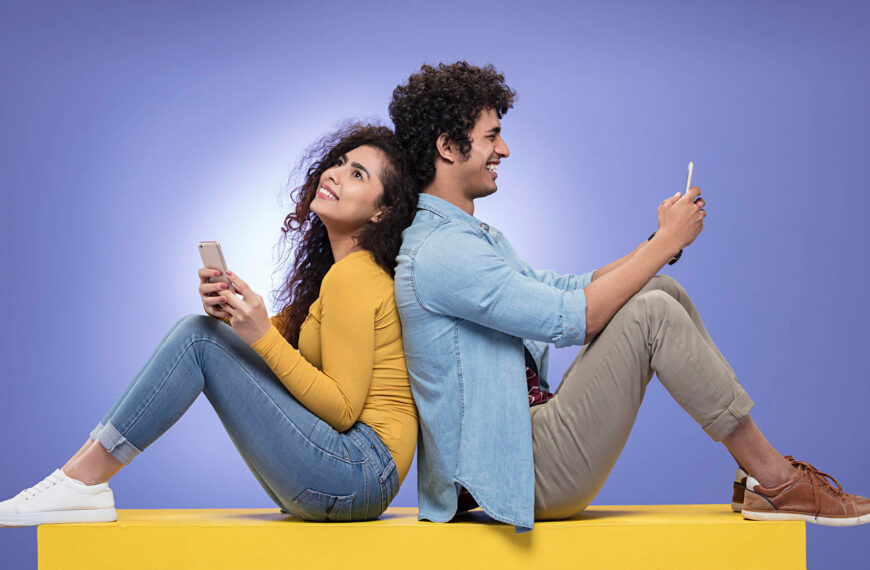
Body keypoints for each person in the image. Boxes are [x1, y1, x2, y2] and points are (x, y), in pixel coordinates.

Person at [389, 61, 869, 532]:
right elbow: (571, 319)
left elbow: (563, 288)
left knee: (656, 286)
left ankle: (759, 473)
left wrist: (658, 243)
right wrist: (666, 244)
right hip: (518, 473)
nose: (505, 149)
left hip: (524, 449)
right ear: (448, 147)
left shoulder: (467, 237)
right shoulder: (441, 251)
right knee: (652, 312)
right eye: (492, 136)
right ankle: (777, 481)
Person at [0, 123, 418, 526]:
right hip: (348, 476)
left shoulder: (356, 276)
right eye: (340, 162)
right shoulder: (337, 275)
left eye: (357, 174)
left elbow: (343, 411)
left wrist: (256, 336)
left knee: (198, 338)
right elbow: (276, 343)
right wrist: (234, 315)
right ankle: (79, 481)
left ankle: (81, 482)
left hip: (356, 473)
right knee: (207, 334)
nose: (336, 174)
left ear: (382, 211)